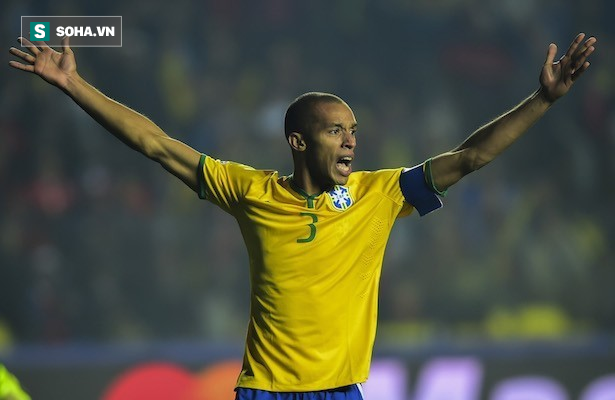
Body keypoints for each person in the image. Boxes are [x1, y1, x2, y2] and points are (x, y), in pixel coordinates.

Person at [9, 32, 596, 400]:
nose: (350, 143)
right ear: (297, 140)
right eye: (336, 130)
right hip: (266, 392)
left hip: (341, 392)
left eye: (354, 132)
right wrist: (74, 85)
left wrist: (543, 100)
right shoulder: (251, 190)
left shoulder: (379, 194)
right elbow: (157, 144)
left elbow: (469, 157)